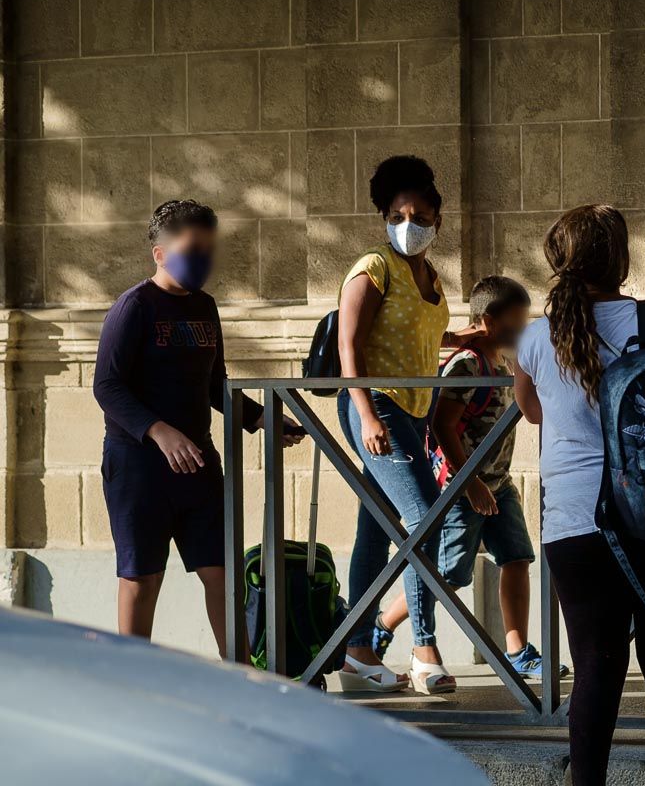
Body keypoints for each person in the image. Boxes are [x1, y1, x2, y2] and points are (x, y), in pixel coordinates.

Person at [513, 204, 645, 786]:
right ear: (622, 261)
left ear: (559, 262)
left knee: (595, 670)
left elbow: (530, 410)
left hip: (577, 523)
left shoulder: (536, 337)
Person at [92, 200, 304, 650]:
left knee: (223, 573)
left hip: (199, 466)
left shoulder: (205, 307)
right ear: (160, 253)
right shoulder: (134, 307)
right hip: (138, 468)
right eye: (192, 250)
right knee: (142, 577)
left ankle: (239, 674)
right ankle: (133, 676)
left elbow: (215, 385)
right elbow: (107, 386)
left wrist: (260, 417)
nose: (202, 259)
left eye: (208, 249)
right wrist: (159, 431)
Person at [372, 276, 563, 678]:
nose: (523, 329)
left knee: (517, 558)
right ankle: (383, 623)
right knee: (449, 574)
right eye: (516, 322)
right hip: (460, 488)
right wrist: (469, 482)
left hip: (498, 485)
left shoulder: (506, 362)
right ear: (488, 322)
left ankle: (518, 651)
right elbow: (442, 426)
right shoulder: (467, 365)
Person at [336, 155, 477, 693]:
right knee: (425, 517)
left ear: (438, 219)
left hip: (414, 412)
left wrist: (461, 338)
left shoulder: (431, 276)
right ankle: (424, 649)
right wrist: (366, 412)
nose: (407, 225)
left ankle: (357, 651)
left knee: (374, 530)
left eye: (418, 216)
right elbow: (350, 344)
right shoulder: (373, 267)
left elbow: (416, 332)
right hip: (377, 406)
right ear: (384, 218)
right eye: (396, 216)